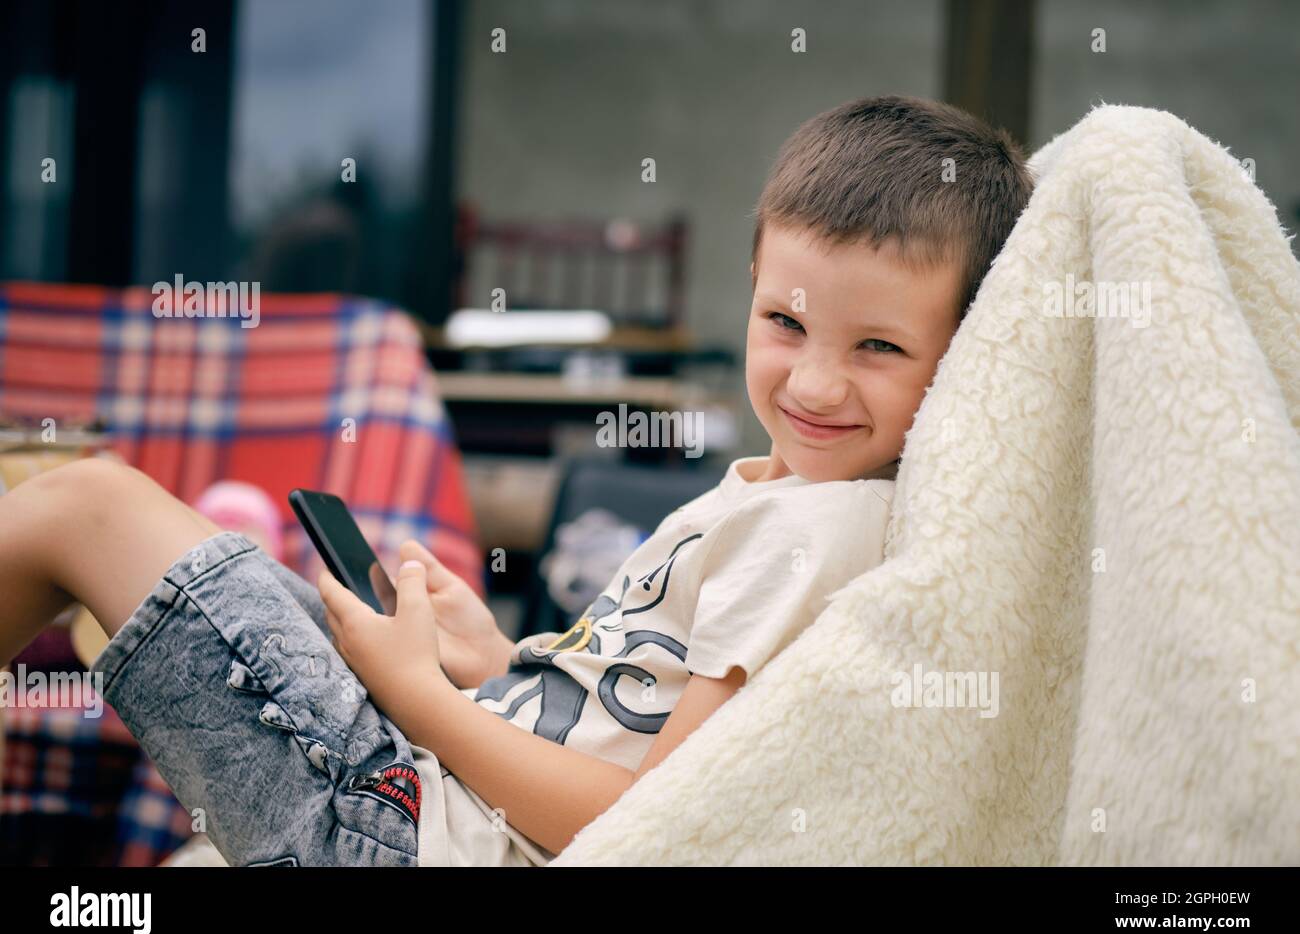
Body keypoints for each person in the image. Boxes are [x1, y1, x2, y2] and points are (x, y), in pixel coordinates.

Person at [0, 94, 1034, 866]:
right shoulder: (771, 499)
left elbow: (651, 826)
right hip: (422, 787)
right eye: (786, 323)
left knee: (84, 505)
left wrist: (416, 695)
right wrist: (494, 657)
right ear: (752, 287)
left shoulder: (818, 530)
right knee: (97, 512)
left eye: (878, 347)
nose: (814, 380)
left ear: (966, 351)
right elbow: (624, 715)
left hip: (393, 824)